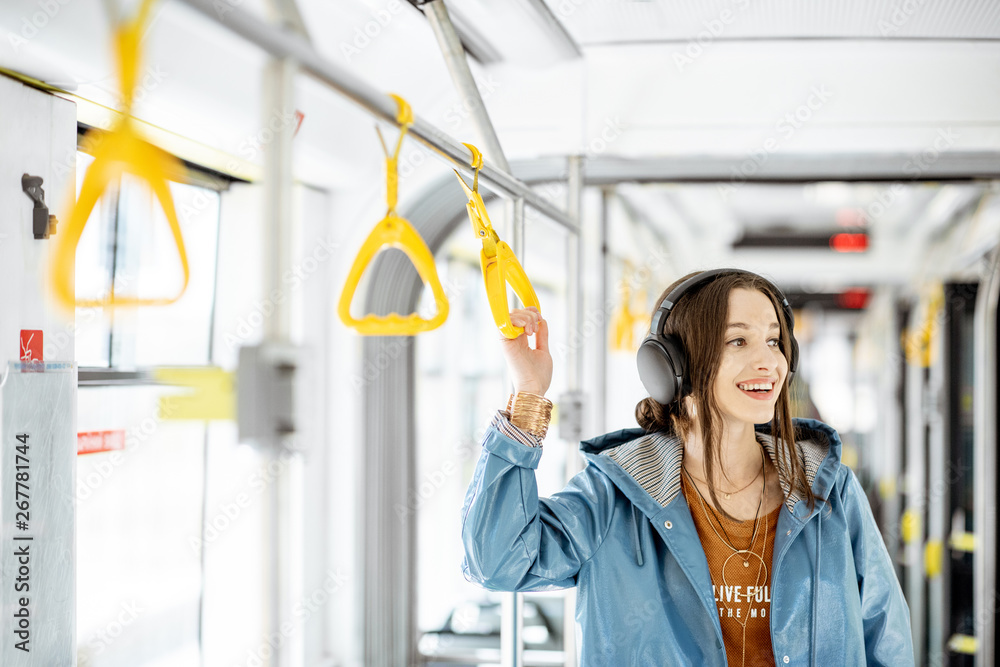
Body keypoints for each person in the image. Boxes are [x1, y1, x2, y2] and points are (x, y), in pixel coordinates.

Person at [460, 268, 913, 666]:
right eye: (739, 340)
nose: (770, 361)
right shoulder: (615, 496)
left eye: (775, 341)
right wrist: (529, 397)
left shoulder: (828, 491)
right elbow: (497, 562)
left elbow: (884, 633)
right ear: (674, 365)